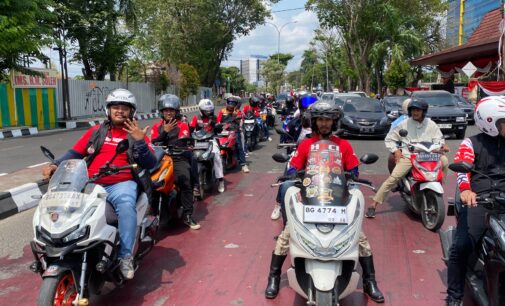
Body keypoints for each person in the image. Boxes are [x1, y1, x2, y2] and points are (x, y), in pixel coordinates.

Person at [264, 101, 385, 303]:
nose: (324, 123)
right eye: (320, 119)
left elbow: (354, 169)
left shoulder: (343, 145)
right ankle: (274, 277)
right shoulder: (305, 145)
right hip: (311, 198)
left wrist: (352, 175)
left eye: (328, 119)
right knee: (286, 235)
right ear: (314, 121)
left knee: (360, 238)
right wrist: (295, 175)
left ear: (334, 121)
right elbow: (293, 168)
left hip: (337, 200)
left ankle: (369, 281)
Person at [41, 88, 156, 280]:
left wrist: (140, 142)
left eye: (125, 108)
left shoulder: (136, 133)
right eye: (116, 107)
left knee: (126, 207)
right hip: (91, 182)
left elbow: (151, 163)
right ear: (108, 110)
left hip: (121, 183)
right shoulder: (96, 131)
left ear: (132, 112)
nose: (120, 111)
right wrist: (55, 164)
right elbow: (75, 153)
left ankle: (125, 256)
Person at [445, 96, 505, 306]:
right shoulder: (472, 143)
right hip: (481, 200)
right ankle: (454, 295)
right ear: (490, 122)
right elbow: (462, 170)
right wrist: (466, 190)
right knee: (461, 246)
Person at [366, 98, 449, 218]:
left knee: (445, 161)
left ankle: (439, 185)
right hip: (410, 156)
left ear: (423, 111)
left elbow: (439, 139)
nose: (415, 113)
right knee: (394, 177)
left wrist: (442, 146)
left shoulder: (431, 124)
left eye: (418, 110)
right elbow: (390, 139)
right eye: (413, 110)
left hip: (428, 155)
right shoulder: (404, 124)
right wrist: (396, 151)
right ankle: (374, 204)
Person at [151, 94, 201, 230]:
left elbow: (183, 140)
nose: (169, 113)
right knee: (150, 183)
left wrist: (178, 143)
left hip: (177, 158)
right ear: (161, 112)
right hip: (160, 159)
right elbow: (152, 143)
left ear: (176, 111)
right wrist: (164, 133)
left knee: (185, 182)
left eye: (171, 110)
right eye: (166, 110)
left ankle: (188, 215)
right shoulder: (156, 127)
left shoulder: (182, 125)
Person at [271, 95, 316, 221]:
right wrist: (286, 141)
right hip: (297, 155)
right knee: (286, 179)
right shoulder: (294, 123)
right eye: (305, 110)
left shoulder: (320, 125)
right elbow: (284, 137)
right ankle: (279, 204)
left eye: (311, 111)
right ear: (301, 110)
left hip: (318, 156)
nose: (308, 114)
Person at [190, 99, 225, 193]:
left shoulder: (214, 117)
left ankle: (221, 180)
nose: (208, 112)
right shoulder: (196, 118)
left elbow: (219, 129)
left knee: (217, 156)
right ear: (201, 110)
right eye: (206, 111)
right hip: (198, 140)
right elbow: (190, 129)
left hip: (210, 139)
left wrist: (216, 126)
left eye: (210, 110)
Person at [216, 96, 250, 173]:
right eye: (230, 103)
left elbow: (239, 119)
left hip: (234, 131)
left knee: (239, 146)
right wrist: (218, 125)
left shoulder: (237, 111)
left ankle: (244, 164)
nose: (231, 105)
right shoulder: (222, 111)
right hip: (223, 131)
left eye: (233, 103)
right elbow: (218, 121)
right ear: (227, 103)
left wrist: (235, 115)